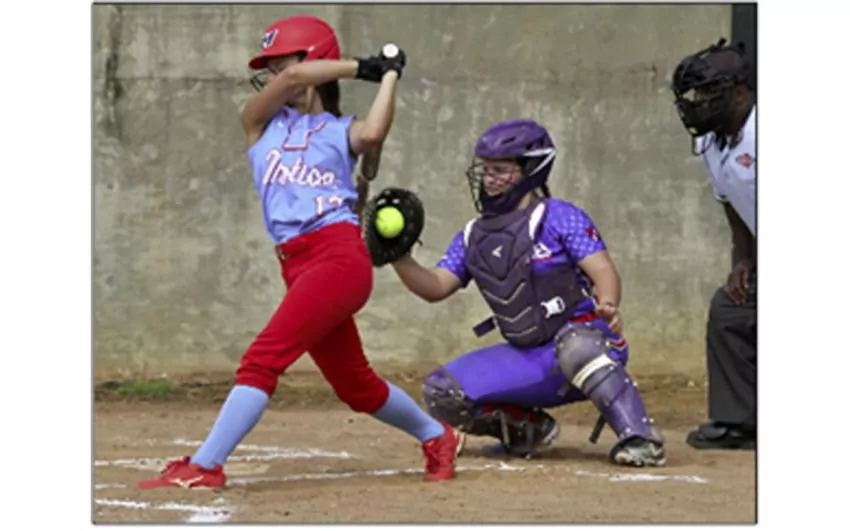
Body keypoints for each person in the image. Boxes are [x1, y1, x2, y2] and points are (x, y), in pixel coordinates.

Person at [138, 15, 461, 490]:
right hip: (295, 262)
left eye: (278, 61)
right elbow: (292, 79)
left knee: (261, 361)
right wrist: (365, 66)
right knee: (355, 385)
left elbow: (373, 134)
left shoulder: (342, 131)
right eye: (268, 66)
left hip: (337, 257)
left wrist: (390, 75)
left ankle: (206, 464)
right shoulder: (258, 124)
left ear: (315, 59)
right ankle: (437, 436)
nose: (272, 73)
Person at [387, 119, 667, 467]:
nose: (490, 179)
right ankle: (528, 431)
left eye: (501, 170)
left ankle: (640, 437)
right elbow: (436, 286)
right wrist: (398, 257)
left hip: (587, 343)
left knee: (577, 346)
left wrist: (608, 304)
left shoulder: (559, 217)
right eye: (487, 170)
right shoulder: (473, 234)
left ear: (531, 169)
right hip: (530, 356)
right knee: (443, 392)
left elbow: (603, 270)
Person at [671, 39, 756, 450]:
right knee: (730, 310)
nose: (700, 103)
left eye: (710, 93)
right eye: (697, 94)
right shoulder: (711, 141)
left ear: (740, 94)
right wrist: (743, 259)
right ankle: (739, 422)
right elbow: (731, 202)